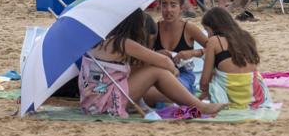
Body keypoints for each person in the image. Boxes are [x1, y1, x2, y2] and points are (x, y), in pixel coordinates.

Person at [78, 9, 225, 117]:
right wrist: (173, 71)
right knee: (158, 71)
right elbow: (164, 62)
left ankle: (192, 103)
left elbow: (134, 68)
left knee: (150, 69)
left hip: (92, 103)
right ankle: (199, 106)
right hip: (107, 103)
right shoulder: (124, 43)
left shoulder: (103, 41)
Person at [199, 8, 271, 109]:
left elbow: (204, 81)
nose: (208, 34)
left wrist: (204, 92)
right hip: (254, 95)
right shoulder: (246, 36)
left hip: (229, 97)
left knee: (213, 75)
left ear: (213, 27)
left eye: (207, 30)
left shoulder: (214, 41)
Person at [148, 0, 208, 97]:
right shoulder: (155, 29)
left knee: (165, 93)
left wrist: (194, 52)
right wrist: (156, 55)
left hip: (183, 75)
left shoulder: (189, 28)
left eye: (173, 5)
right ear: (159, 6)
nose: (168, 10)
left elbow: (214, 48)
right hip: (159, 73)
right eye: (164, 5)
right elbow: (144, 55)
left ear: (181, 7)